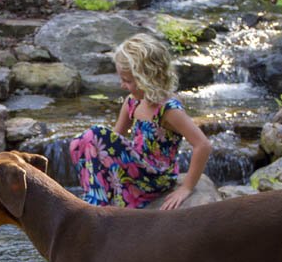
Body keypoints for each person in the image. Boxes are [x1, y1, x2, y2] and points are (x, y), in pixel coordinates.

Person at [69, 33, 212, 210]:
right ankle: (97, 196)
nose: (122, 85)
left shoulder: (168, 109)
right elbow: (113, 140)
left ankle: (97, 202)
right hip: (136, 171)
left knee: (96, 133)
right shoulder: (132, 102)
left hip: (156, 177)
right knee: (79, 142)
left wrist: (186, 187)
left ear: (148, 78)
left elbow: (203, 145)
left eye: (127, 80)